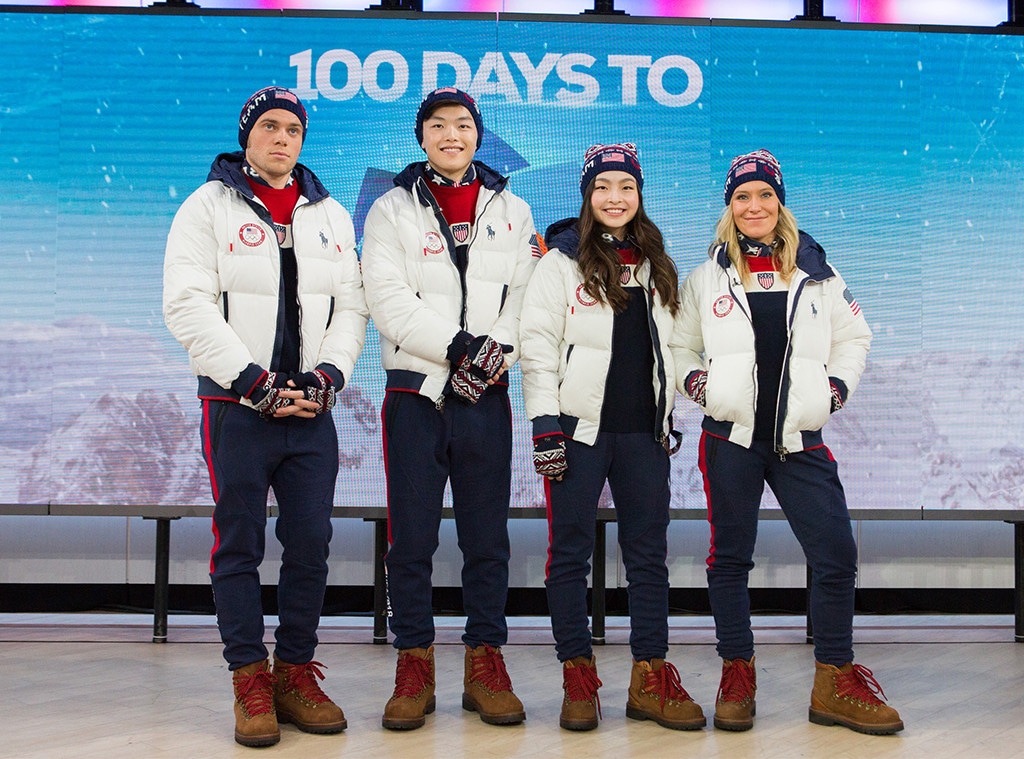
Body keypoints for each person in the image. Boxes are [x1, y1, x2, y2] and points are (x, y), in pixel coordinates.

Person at [163, 86, 367, 748]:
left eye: (294, 130)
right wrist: (252, 381)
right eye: (271, 127)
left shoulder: (330, 214)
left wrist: (327, 375)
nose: (283, 138)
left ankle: (295, 674)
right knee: (240, 542)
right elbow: (186, 304)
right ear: (248, 135)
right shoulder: (206, 206)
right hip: (236, 407)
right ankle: (249, 677)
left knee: (311, 541)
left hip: (311, 409)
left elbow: (352, 307)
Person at [672, 148, 903, 735]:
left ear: (780, 203)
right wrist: (701, 384)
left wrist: (835, 391)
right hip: (731, 439)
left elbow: (857, 337)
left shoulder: (818, 274)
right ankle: (737, 672)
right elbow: (679, 347)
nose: (755, 206)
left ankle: (834, 680)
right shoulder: (706, 277)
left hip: (800, 438)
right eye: (743, 196)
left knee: (836, 554)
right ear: (730, 206)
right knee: (730, 560)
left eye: (765, 196)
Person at [360, 87, 540, 731]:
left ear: (478, 135)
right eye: (438, 126)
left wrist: (498, 354)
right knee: (410, 539)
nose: (451, 135)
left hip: (486, 396)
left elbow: (528, 297)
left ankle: (485, 661)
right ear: (422, 138)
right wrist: (461, 347)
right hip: (416, 394)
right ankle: (413, 663)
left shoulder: (512, 209)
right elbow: (386, 298)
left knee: (487, 539)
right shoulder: (390, 211)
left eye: (463, 125)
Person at [519, 143, 705, 732]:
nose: (614, 198)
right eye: (603, 187)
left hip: (644, 435)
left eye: (625, 187)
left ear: (639, 195)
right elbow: (538, 347)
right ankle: (578, 677)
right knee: (569, 556)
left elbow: (672, 348)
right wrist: (544, 424)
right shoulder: (560, 261)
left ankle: (650, 676)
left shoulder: (657, 262)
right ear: (587, 195)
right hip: (577, 435)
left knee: (649, 557)